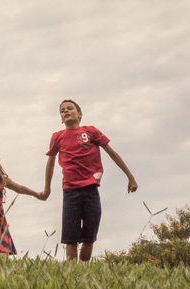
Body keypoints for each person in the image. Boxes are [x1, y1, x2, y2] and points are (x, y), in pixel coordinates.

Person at [41, 98, 137, 261]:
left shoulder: (91, 132)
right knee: (70, 238)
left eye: (69, 108)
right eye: (62, 111)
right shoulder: (58, 137)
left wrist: (130, 177)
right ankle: (72, 270)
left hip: (91, 190)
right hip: (70, 191)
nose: (65, 111)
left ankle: (84, 269)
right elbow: (50, 163)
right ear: (61, 118)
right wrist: (47, 189)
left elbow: (112, 154)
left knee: (89, 236)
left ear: (80, 114)